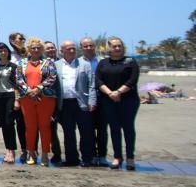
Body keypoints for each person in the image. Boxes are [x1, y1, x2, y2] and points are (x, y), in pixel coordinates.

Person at [96, 37, 141, 170]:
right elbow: (98, 81)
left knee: (128, 129)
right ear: (109, 48)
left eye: (119, 46)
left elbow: (132, 80)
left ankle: (130, 158)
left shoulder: (130, 62)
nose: (117, 48)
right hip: (108, 100)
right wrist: (110, 93)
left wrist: (118, 92)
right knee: (114, 129)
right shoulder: (103, 63)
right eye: (114, 46)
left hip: (128, 100)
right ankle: (117, 157)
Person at [16, 37, 58, 166]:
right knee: (30, 127)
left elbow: (52, 77)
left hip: (45, 98)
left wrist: (38, 89)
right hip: (27, 99)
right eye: (33, 48)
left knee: (44, 126)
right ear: (28, 49)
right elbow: (18, 79)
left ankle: (45, 154)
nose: (35, 50)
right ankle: (31, 153)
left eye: (38, 48)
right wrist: (29, 90)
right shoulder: (22, 63)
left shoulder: (49, 62)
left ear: (42, 49)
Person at [55, 40, 97, 168]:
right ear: (62, 51)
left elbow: (91, 84)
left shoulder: (85, 64)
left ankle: (87, 158)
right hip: (65, 104)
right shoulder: (56, 65)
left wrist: (92, 101)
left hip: (82, 103)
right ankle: (71, 159)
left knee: (86, 132)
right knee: (68, 133)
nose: (72, 51)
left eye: (73, 48)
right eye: (68, 49)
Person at [80, 36, 107, 166]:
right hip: (85, 101)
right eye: (86, 46)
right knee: (87, 131)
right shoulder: (77, 62)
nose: (89, 48)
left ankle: (102, 156)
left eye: (91, 45)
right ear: (81, 48)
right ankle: (89, 156)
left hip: (102, 98)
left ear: (95, 46)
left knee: (102, 130)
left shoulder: (103, 61)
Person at [0, 43, 21, 164]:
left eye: (4, 51)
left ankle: (12, 150)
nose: (2, 53)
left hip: (10, 96)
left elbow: (16, 84)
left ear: (8, 52)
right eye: (0, 51)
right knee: (3, 124)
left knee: (9, 123)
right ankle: (7, 150)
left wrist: (17, 100)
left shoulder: (13, 66)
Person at [8, 32, 29, 162]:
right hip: (11, 93)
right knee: (10, 123)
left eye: (23, 39)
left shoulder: (28, 54)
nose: (22, 41)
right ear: (12, 41)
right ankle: (10, 150)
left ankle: (26, 149)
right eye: (20, 39)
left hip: (26, 93)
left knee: (23, 124)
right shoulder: (9, 55)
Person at [42, 41, 63, 162]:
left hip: (65, 101)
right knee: (51, 130)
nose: (50, 50)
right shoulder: (43, 65)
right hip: (49, 102)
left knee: (69, 130)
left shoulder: (62, 63)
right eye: (47, 48)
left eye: (52, 48)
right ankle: (57, 153)